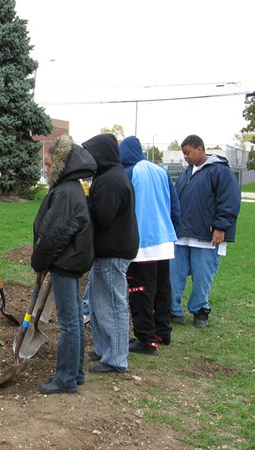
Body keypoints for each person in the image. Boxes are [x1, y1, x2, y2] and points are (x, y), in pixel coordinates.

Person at [31, 135, 96, 394]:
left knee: (69, 322)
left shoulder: (67, 192)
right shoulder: (71, 188)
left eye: (48, 165)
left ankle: (66, 379)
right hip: (71, 260)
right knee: (75, 320)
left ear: (61, 165)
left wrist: (39, 261)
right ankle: (76, 373)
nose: (45, 170)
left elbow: (55, 234)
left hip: (66, 263)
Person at [82, 133, 139, 374]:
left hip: (113, 252)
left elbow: (101, 217)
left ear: (101, 155)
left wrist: (83, 202)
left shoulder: (111, 180)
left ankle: (116, 359)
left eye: (90, 155)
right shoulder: (108, 176)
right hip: (107, 250)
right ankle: (104, 349)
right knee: (97, 302)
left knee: (112, 304)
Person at [170, 134, 241, 328]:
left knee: (202, 276)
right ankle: (173, 310)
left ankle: (200, 311)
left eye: (187, 153)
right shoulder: (187, 172)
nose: (185, 157)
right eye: (183, 153)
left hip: (206, 236)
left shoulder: (220, 171)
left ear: (200, 149)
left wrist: (220, 227)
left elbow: (229, 200)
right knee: (174, 274)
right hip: (182, 235)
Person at [119, 136, 180, 353]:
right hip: (165, 240)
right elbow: (175, 205)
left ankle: (146, 339)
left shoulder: (130, 173)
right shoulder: (161, 171)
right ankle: (163, 333)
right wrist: (175, 230)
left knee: (140, 290)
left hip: (142, 243)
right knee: (163, 289)